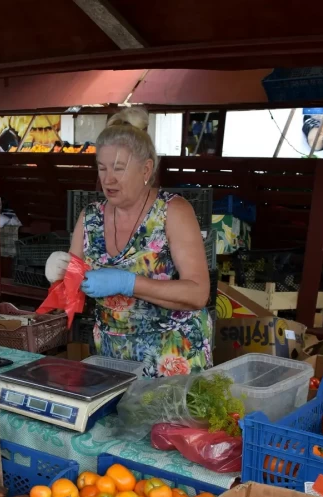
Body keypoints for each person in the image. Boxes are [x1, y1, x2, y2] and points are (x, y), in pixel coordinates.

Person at [45, 107, 212, 377]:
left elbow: (197, 293)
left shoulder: (173, 212)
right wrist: (58, 274)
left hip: (171, 358)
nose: (107, 179)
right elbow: (70, 294)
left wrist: (127, 283)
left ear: (146, 168)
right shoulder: (89, 219)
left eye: (119, 169)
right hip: (111, 356)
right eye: (102, 168)